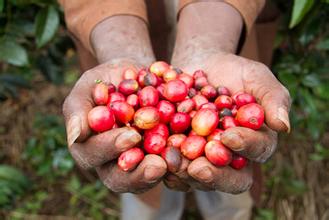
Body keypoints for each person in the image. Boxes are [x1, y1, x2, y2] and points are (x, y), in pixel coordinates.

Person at [60, 0, 291, 219]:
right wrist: (121, 49)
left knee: (231, 180)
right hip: (118, 31)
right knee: (144, 186)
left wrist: (208, 44)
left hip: (222, 25)